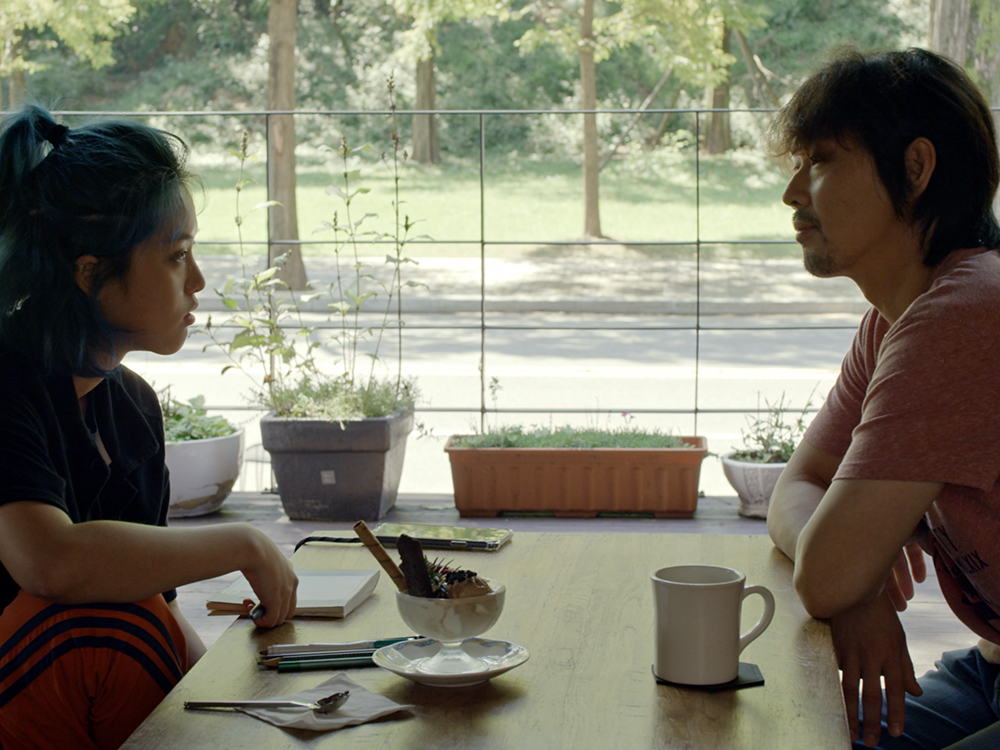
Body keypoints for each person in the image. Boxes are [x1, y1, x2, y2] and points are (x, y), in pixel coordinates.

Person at [0, 105, 299, 750]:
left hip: (67, 700)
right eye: (176, 257)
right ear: (90, 273)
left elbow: (153, 603)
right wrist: (245, 544)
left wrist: (240, 717)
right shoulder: (6, 382)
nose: (196, 283)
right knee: (95, 628)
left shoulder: (130, 406)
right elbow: (50, 564)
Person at [765, 48, 1000, 749]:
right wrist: (855, 589)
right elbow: (796, 487)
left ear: (916, 169)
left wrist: (845, 579)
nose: (792, 193)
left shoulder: (967, 314)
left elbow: (826, 573)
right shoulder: (897, 320)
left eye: (821, 160)